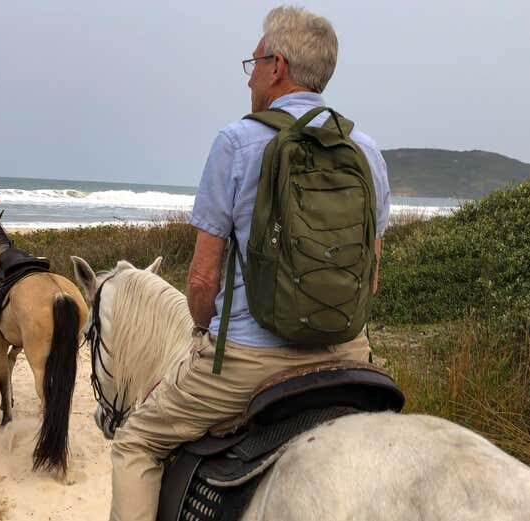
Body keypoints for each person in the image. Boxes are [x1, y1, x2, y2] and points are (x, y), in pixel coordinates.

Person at [108, 6, 391, 520]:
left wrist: (202, 332)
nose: (251, 76)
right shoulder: (365, 150)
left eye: (254, 63)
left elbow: (201, 280)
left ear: (277, 66)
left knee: (135, 444)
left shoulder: (236, 142)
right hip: (350, 355)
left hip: (247, 365)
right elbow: (370, 276)